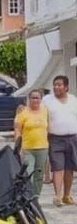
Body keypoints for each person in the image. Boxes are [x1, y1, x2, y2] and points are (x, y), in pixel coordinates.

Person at [42, 75, 77, 206]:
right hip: (55, 138)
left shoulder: (73, 99)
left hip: (73, 138)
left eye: (59, 85)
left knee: (70, 168)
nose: (56, 87)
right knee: (58, 167)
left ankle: (67, 195)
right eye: (55, 84)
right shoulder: (47, 100)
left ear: (66, 87)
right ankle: (57, 196)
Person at [14, 90, 49, 195]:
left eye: (37, 98)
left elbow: (48, 128)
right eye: (33, 98)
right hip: (27, 148)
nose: (35, 100)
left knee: (39, 175)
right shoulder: (23, 113)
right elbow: (17, 130)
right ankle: (27, 196)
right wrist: (19, 147)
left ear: (41, 99)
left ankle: (35, 197)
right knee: (28, 173)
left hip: (42, 148)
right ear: (29, 99)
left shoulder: (45, 111)